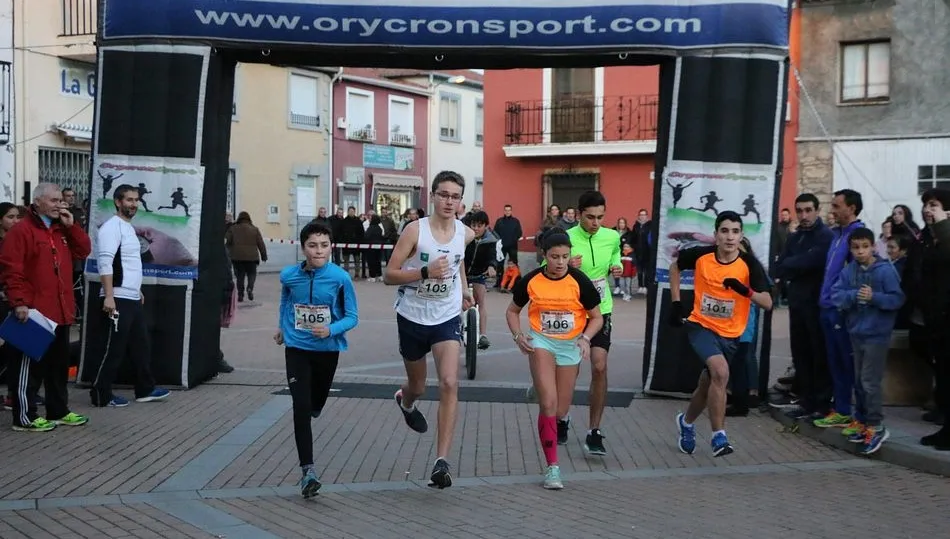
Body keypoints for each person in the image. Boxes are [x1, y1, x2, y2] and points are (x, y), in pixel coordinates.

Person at [383, 170, 475, 489]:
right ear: (433, 196)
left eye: (455, 196)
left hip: (446, 316)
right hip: (411, 316)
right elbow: (389, 275)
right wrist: (424, 271)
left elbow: (459, 261)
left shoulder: (466, 233)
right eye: (444, 195)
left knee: (449, 381)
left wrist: (463, 290)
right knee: (418, 386)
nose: (449, 201)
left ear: (461, 202)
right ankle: (406, 401)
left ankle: (441, 462)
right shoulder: (415, 231)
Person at [506, 228, 603, 490]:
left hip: (570, 345)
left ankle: (539, 387)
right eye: (554, 257)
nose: (560, 263)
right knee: (548, 405)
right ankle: (552, 468)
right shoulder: (531, 280)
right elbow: (512, 311)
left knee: (560, 410)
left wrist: (585, 338)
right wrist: (518, 336)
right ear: (544, 255)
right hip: (542, 342)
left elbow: (597, 317)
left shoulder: (579, 281)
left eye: (564, 256)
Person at [669, 211, 772, 456]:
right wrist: (675, 303)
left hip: (731, 334)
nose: (729, 237)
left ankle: (686, 422)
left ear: (741, 236)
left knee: (708, 385)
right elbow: (675, 267)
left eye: (735, 232)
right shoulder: (702, 256)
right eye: (724, 231)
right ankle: (719, 437)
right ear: (715, 235)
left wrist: (744, 291)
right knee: (721, 372)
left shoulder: (749, 265)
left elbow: (768, 302)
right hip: (701, 326)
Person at [274, 222, 358, 497]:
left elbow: (352, 317)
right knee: (300, 407)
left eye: (324, 245)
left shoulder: (340, 278)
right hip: (297, 348)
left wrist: (330, 329)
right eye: (312, 245)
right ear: (303, 248)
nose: (318, 250)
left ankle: (315, 404)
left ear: (331, 247)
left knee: (315, 402)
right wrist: (281, 327)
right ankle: (308, 471)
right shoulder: (289, 276)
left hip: (327, 350)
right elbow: (286, 301)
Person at [0, 183, 92, 431]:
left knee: (57, 367)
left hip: (60, 310)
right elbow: (12, 270)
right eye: (53, 201)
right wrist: (19, 302)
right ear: (38, 202)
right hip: (34, 312)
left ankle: (58, 410)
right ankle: (25, 416)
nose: (59, 205)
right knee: (28, 367)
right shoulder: (22, 231)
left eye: (61, 200)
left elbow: (84, 250)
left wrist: (72, 227)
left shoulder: (62, 228)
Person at [91, 185, 171, 407]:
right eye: (129, 200)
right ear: (118, 202)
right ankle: (101, 394)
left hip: (131, 298)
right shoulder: (111, 228)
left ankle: (145, 389)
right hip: (116, 298)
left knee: (140, 346)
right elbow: (106, 262)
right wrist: (109, 296)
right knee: (112, 349)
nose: (134, 204)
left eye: (136, 200)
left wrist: (137, 290)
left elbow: (129, 264)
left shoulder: (128, 229)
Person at [829, 227, 904, 455]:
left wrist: (875, 298)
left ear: (873, 247)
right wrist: (853, 296)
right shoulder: (849, 270)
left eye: (864, 247)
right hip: (856, 332)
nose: (860, 252)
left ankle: (876, 425)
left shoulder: (885, 271)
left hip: (876, 334)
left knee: (870, 381)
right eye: (855, 247)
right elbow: (836, 294)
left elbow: (897, 299)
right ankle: (862, 421)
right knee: (860, 381)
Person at [561, 191, 622, 456]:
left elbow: (615, 256)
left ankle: (594, 430)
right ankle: (562, 418)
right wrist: (566, 265)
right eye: (590, 217)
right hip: (572, 312)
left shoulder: (612, 236)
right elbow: (545, 266)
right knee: (570, 370)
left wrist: (616, 266)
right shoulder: (566, 238)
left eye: (600, 217)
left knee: (599, 366)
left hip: (601, 310)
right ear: (578, 214)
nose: (596, 222)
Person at [770, 194, 834, 418]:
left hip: (816, 304)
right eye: (800, 210)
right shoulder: (794, 238)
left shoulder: (826, 236)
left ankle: (822, 404)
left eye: (808, 210)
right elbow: (780, 265)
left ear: (817, 210)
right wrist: (793, 264)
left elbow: (812, 261)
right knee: (800, 354)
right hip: (796, 303)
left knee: (819, 355)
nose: (804, 215)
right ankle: (806, 401)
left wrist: (793, 264)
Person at [814, 189, 865, 429]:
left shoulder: (858, 236)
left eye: (836, 206)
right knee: (834, 361)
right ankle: (842, 409)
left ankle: (861, 416)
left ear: (851, 208)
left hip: (841, 310)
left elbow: (858, 275)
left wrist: (844, 303)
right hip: (826, 307)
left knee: (848, 362)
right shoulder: (837, 235)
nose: (832, 211)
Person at [904, 189, 950, 448]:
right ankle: (945, 427)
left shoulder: (944, 233)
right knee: (943, 375)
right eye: (925, 205)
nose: (927, 210)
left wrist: (942, 223)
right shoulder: (928, 236)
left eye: (933, 205)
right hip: (934, 316)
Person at [463, 210, 499, 349]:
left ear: (486, 226)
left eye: (479, 225)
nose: (476, 228)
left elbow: (492, 256)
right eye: (473, 225)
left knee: (481, 300)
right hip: (463, 275)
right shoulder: (464, 238)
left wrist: (492, 266)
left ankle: (483, 335)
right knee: (457, 300)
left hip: (479, 274)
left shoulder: (490, 241)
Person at [225, 211, 268, 302]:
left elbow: (227, 241)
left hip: (237, 257)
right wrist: (264, 255)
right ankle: (250, 288)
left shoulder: (233, 228)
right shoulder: (255, 229)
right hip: (252, 258)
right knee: (252, 274)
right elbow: (261, 243)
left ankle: (240, 294)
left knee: (240, 276)